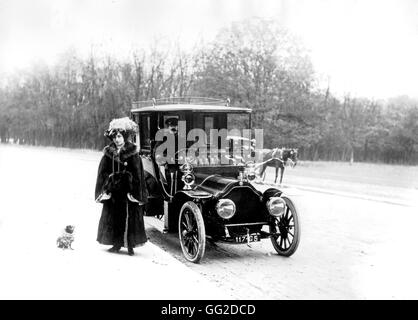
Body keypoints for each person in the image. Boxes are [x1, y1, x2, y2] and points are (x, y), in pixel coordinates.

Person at [95, 117, 148, 256]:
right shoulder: (108, 153)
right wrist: (107, 184)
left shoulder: (133, 153)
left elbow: (138, 174)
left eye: (119, 136)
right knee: (114, 217)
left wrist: (134, 189)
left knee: (128, 218)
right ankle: (116, 244)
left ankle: (129, 245)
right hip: (114, 193)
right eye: (114, 136)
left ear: (124, 137)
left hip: (127, 192)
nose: (117, 139)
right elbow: (102, 172)